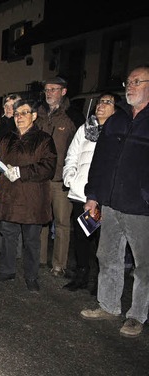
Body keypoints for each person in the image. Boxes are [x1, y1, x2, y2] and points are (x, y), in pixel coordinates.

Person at [80, 65, 149, 338]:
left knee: (144, 265)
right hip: (109, 202)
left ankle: (137, 315)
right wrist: (93, 195)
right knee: (107, 255)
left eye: (136, 81)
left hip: (140, 208)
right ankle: (108, 305)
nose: (129, 86)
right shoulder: (117, 120)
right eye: (128, 82)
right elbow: (100, 162)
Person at [0, 99, 57, 292]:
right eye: (17, 114)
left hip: (32, 199)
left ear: (34, 116)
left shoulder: (44, 139)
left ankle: (31, 276)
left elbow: (48, 167)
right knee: (8, 235)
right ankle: (7, 270)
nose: (19, 117)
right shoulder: (7, 138)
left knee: (32, 240)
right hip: (9, 197)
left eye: (24, 113)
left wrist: (21, 172)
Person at [62, 92, 120, 292]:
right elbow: (72, 155)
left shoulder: (117, 131)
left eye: (107, 102)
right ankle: (81, 275)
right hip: (81, 193)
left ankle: (99, 281)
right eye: (100, 102)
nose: (101, 105)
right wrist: (70, 177)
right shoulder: (85, 128)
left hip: (103, 196)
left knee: (101, 239)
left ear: (115, 108)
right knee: (81, 237)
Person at [36, 76, 85, 276]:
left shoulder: (73, 117)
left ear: (63, 92)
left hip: (60, 180)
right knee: (41, 220)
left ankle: (59, 264)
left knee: (63, 223)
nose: (49, 93)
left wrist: (72, 175)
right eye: (47, 89)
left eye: (53, 89)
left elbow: (80, 149)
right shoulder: (38, 114)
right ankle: (39, 259)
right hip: (41, 177)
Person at [0, 93, 22, 257]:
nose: (8, 109)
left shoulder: (19, 125)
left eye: (12, 106)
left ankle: (15, 251)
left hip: (12, 172)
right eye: (6, 106)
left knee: (13, 214)